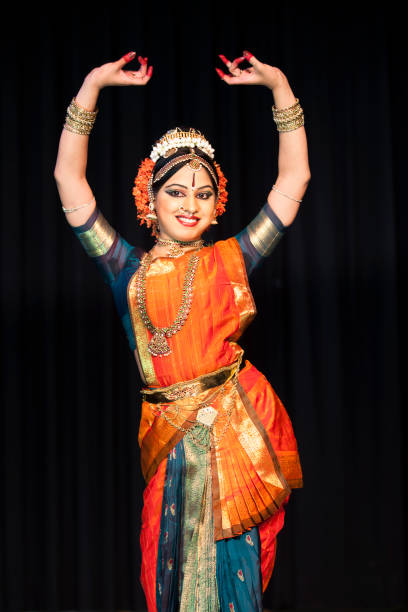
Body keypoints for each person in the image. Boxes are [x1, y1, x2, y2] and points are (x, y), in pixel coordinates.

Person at [54, 49, 310, 612]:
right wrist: (92, 85)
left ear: (218, 203)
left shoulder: (231, 260)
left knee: (235, 579)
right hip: (168, 449)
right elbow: (67, 180)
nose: (189, 204)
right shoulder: (126, 270)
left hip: (232, 439)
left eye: (202, 193)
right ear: (149, 198)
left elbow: (294, 178)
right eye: (175, 191)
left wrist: (280, 86)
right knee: (165, 576)